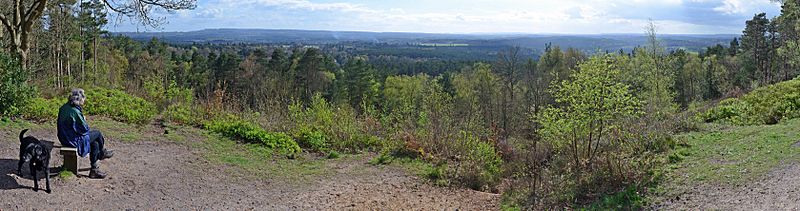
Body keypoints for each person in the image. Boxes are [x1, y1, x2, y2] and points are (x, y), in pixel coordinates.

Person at [57, 88, 114, 179]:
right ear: (79, 99)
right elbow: (84, 129)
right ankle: (102, 153)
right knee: (98, 133)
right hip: (72, 140)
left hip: (64, 137)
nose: (84, 101)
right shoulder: (75, 111)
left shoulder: (64, 107)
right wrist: (83, 119)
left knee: (95, 143)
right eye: (83, 99)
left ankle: (94, 170)